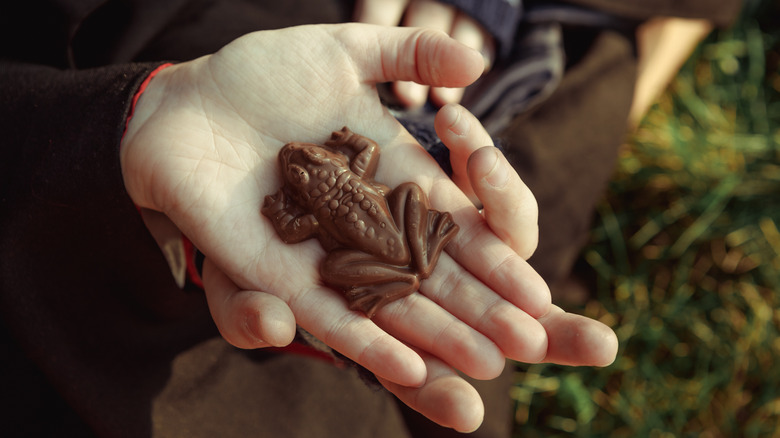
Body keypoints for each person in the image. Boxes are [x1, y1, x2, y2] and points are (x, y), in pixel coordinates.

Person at [0, 0, 741, 436]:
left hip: (433, 156)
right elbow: (308, 213)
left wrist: (293, 197)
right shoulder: (331, 175)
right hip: (135, 174)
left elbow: (299, 221)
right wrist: (129, 128)